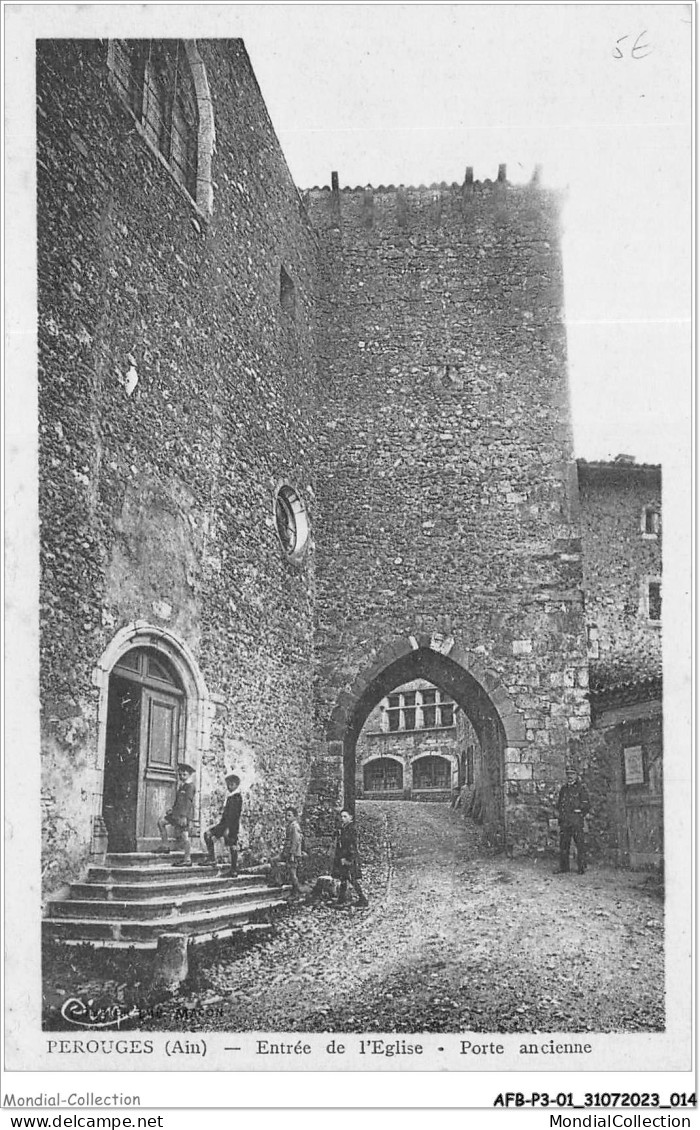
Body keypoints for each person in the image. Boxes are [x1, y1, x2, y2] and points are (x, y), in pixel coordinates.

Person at [199, 772, 242, 875]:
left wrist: (227, 829)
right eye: (228, 784)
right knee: (208, 835)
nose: (229, 787)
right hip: (224, 824)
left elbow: (233, 816)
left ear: (236, 785)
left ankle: (233, 869)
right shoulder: (231, 796)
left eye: (231, 785)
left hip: (230, 826)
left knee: (232, 845)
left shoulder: (236, 797)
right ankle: (212, 858)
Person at [156, 763, 196, 868]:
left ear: (189, 775)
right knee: (161, 822)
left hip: (183, 815)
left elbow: (188, 802)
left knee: (185, 835)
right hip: (176, 813)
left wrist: (184, 816)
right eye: (180, 774)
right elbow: (179, 800)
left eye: (184, 775)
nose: (182, 777)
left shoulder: (190, 786)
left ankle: (187, 859)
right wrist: (172, 810)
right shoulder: (182, 785)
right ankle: (165, 846)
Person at [556, 767, 590, 874]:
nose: (570, 776)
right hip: (565, 821)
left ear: (576, 775)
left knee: (579, 844)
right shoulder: (563, 789)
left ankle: (581, 867)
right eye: (568, 774)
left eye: (572, 774)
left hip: (576, 821)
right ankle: (564, 868)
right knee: (564, 844)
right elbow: (559, 804)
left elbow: (586, 804)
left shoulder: (581, 788)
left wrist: (579, 813)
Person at [332, 809, 368, 907]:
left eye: (345, 816)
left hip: (349, 857)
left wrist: (347, 859)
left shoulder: (351, 829)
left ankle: (362, 898)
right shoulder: (344, 828)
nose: (342, 819)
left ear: (351, 817)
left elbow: (350, 845)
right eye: (342, 816)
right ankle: (341, 900)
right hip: (343, 857)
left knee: (351, 878)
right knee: (344, 877)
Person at [281, 806, 304, 898]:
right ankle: (295, 891)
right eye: (286, 815)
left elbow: (295, 841)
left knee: (293, 873)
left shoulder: (295, 826)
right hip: (289, 852)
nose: (287, 817)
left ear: (295, 816)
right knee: (291, 872)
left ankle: (296, 892)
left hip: (293, 854)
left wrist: (292, 854)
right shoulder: (290, 825)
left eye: (289, 815)